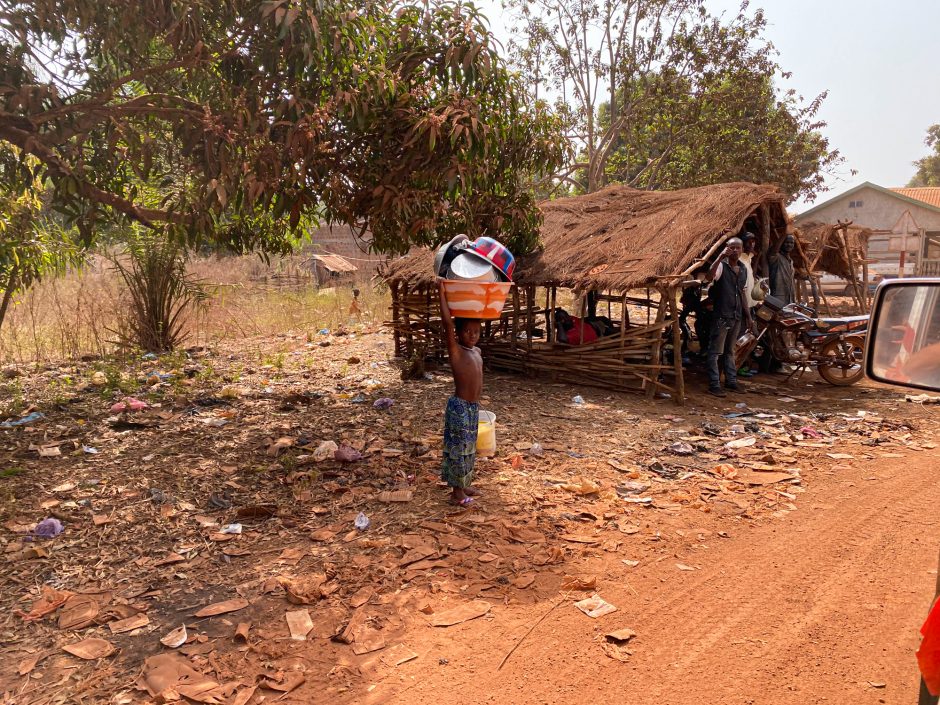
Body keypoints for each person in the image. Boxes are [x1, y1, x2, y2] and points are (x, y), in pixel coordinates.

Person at [438, 280, 483, 506]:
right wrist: (442, 291)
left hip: (473, 408)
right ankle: (456, 494)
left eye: (476, 331)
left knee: (469, 448)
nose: (472, 335)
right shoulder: (456, 351)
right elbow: (447, 322)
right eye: (467, 331)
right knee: (457, 449)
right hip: (459, 407)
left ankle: (464, 484)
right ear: (459, 333)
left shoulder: (477, 351)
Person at [705, 237, 753, 396]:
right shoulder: (720, 267)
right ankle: (714, 385)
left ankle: (731, 382)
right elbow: (709, 277)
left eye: (738, 248)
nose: (736, 251)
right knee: (715, 352)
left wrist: (748, 316)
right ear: (726, 249)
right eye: (732, 248)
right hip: (722, 316)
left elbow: (742, 293)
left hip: (736, 316)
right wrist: (719, 257)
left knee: (730, 351)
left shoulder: (743, 269)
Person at [768, 234, 797, 305]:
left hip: (790, 299)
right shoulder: (776, 257)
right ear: (781, 243)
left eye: (791, 243)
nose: (789, 245)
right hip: (777, 298)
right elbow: (773, 252)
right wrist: (785, 233)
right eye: (786, 242)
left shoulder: (791, 261)